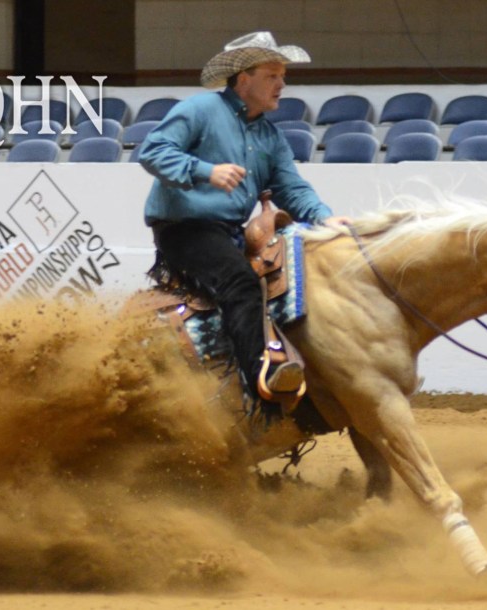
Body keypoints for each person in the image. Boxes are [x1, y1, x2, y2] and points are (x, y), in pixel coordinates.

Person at [138, 31, 350, 406]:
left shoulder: (270, 137)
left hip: (227, 232)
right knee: (240, 281)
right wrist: (206, 171)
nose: (282, 84)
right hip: (184, 229)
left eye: (283, 75)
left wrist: (324, 219)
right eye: (272, 75)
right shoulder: (201, 110)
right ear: (243, 79)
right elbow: (153, 151)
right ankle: (261, 378)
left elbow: (292, 188)